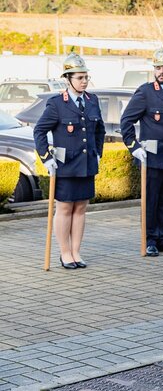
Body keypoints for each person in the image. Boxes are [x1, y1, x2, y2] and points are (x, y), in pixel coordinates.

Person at [33, 54, 106, 269]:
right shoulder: (57, 104)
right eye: (80, 77)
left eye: (86, 77)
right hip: (65, 166)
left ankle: (76, 252)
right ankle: (65, 253)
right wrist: (46, 157)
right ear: (68, 79)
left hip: (86, 165)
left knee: (81, 207)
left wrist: (97, 152)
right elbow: (39, 131)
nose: (84, 81)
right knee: (65, 208)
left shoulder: (92, 101)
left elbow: (99, 129)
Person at [120, 48, 163, 257]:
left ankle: (162, 237)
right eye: (158, 68)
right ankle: (149, 239)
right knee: (151, 200)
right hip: (152, 157)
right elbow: (126, 121)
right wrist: (134, 147)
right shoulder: (146, 92)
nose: (161, 72)